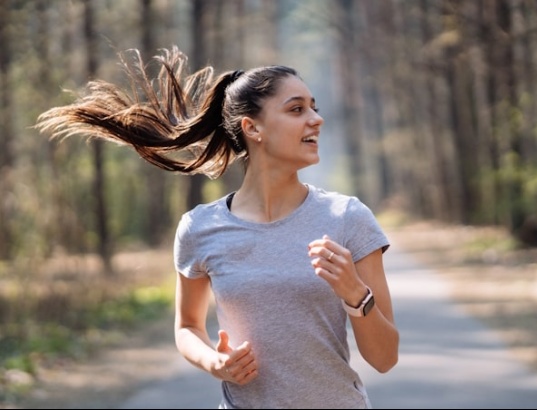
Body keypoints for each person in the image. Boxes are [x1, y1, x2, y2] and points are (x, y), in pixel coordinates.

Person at [36, 46, 399, 409]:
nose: (316, 119)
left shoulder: (346, 217)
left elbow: (385, 359)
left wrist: (355, 293)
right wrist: (215, 362)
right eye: (296, 109)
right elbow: (187, 327)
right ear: (252, 127)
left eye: (314, 107)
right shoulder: (201, 228)